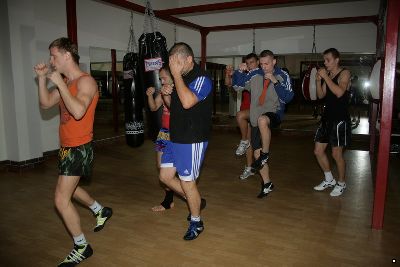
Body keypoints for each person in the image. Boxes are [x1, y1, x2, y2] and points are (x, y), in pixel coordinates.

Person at [33, 37, 112, 266]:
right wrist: (41, 80)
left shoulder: (86, 82)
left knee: (60, 199)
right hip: (67, 147)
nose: (51, 61)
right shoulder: (66, 82)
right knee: (72, 190)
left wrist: (59, 83)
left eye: (54, 56)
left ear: (67, 55)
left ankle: (81, 246)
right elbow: (46, 103)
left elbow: (78, 111)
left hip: (79, 147)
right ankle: (100, 210)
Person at [159, 42, 212, 240]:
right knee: (165, 177)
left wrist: (176, 76)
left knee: (187, 182)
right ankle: (195, 200)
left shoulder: (202, 78)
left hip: (192, 138)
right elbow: (177, 107)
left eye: (178, 62)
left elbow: (189, 102)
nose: (175, 67)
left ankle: (196, 222)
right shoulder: (181, 78)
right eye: (172, 63)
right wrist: (166, 96)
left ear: (189, 59)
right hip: (175, 136)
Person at [232, 50, 294, 198]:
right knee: (256, 153)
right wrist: (239, 72)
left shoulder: (282, 75)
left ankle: (265, 154)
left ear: (274, 62)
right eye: (262, 64)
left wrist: (275, 81)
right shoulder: (254, 74)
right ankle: (267, 184)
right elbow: (238, 87)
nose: (264, 67)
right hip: (256, 117)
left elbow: (288, 98)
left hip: (274, 113)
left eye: (267, 63)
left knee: (262, 121)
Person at [313, 48, 351, 197]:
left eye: (328, 60)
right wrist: (318, 80)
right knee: (318, 151)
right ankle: (329, 179)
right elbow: (321, 95)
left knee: (336, 154)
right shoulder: (327, 74)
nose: (325, 63)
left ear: (337, 60)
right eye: (324, 60)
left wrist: (326, 78)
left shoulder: (345, 73)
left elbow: (340, 92)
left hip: (340, 119)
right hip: (326, 118)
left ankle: (341, 183)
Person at [145, 66, 175, 212]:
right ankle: (169, 199)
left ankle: (181, 196)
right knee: (160, 166)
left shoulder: (179, 90)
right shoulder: (163, 91)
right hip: (164, 133)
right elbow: (153, 108)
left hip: (177, 134)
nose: (161, 81)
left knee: (178, 170)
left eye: (163, 78)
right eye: (160, 79)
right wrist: (150, 95)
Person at [225, 53, 259, 180]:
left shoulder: (260, 74)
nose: (250, 65)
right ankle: (249, 167)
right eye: (248, 63)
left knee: (258, 144)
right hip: (245, 110)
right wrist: (228, 73)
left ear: (258, 63)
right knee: (248, 141)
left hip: (258, 111)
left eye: (252, 62)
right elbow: (229, 84)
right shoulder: (243, 75)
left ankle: (262, 171)